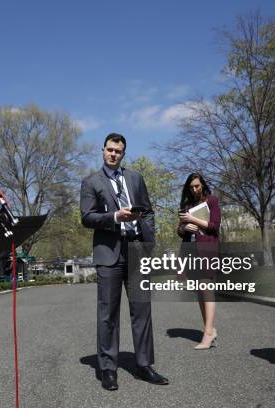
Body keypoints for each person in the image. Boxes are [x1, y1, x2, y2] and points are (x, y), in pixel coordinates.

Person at [80, 133, 168, 391]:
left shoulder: (135, 178)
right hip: (109, 253)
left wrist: (148, 241)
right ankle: (108, 369)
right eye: (109, 150)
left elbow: (149, 211)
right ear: (103, 150)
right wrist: (114, 217)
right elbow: (87, 217)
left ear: (123, 153)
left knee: (142, 311)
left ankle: (144, 365)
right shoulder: (91, 182)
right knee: (108, 314)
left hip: (136, 251)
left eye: (118, 151)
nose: (113, 154)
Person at [176, 173, 221, 350]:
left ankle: (208, 332)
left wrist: (194, 219)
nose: (194, 189)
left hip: (208, 250)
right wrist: (184, 227)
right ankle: (209, 329)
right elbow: (180, 230)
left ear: (202, 185)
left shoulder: (212, 201)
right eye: (191, 187)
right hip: (190, 252)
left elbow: (214, 226)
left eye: (197, 186)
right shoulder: (186, 205)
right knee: (199, 291)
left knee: (206, 286)